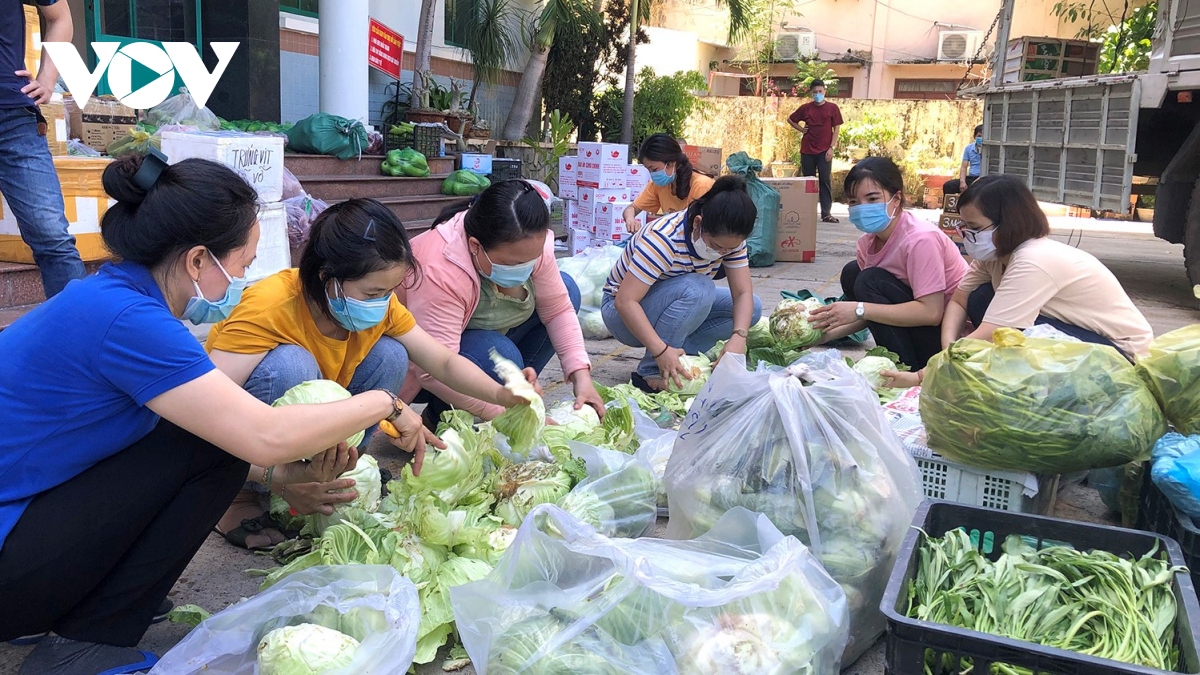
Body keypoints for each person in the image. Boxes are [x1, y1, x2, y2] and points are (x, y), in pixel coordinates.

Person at [0, 154, 532, 674]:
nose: (248, 272)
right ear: (198, 260)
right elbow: (261, 437)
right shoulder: (130, 321)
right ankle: (85, 641)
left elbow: (434, 357)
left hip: (29, 526)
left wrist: (501, 395)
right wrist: (384, 404)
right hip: (11, 560)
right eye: (243, 260)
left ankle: (88, 600)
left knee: (204, 437)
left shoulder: (115, 300)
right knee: (212, 441)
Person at [206, 198, 525, 550]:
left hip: (315, 425)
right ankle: (239, 496)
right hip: (254, 438)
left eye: (390, 291)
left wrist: (501, 395)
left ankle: (337, 469)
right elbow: (207, 415)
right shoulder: (270, 305)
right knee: (292, 365)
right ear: (328, 278)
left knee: (391, 354)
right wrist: (276, 478)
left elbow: (444, 362)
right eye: (373, 292)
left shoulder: (379, 306)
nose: (384, 301)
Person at [883, 175, 1154, 388]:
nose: (967, 235)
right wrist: (950, 348)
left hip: (1118, 356)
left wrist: (923, 376)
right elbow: (959, 299)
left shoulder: (1034, 260)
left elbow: (990, 332)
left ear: (1009, 223)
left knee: (1002, 327)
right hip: (1077, 336)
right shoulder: (995, 255)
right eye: (965, 227)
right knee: (981, 297)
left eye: (975, 228)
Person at [401, 180, 603, 425]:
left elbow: (557, 309)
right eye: (513, 264)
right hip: (426, 366)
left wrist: (582, 377)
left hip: (472, 344)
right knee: (499, 354)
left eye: (531, 261)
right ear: (475, 246)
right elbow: (433, 370)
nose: (525, 269)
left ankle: (518, 397)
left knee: (567, 289)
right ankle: (443, 414)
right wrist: (507, 414)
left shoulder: (530, 242)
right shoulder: (438, 268)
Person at [603, 175, 763, 392]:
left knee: (752, 309)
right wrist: (659, 351)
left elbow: (742, 293)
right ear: (698, 223)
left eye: (728, 249)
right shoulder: (663, 239)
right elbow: (625, 301)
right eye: (716, 246)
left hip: (671, 303)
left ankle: (677, 356)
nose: (722, 253)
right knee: (699, 289)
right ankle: (652, 368)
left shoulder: (731, 242)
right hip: (621, 314)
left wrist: (738, 338)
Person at [809, 157, 969, 370]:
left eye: (872, 198)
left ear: (896, 199)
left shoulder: (920, 240)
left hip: (948, 339)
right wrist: (822, 337)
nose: (861, 208)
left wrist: (859, 308)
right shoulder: (867, 244)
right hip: (918, 324)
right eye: (854, 202)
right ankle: (897, 362)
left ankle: (908, 366)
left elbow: (931, 313)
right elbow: (875, 310)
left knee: (868, 280)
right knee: (854, 273)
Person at [1, 0, 86, 297]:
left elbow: (61, 17)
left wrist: (47, 80)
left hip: (12, 120)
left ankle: (79, 338)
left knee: (52, 239)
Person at [622, 133, 715, 232]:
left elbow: (700, 231)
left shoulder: (701, 185)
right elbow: (631, 208)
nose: (652, 175)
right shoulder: (658, 185)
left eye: (654, 169)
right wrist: (630, 220)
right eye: (648, 170)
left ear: (671, 163)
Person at [788, 78, 843, 223]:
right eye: (815, 92)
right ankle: (808, 212)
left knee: (824, 180)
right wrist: (802, 129)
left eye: (820, 91)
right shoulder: (806, 108)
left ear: (825, 91)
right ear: (811, 93)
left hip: (825, 151)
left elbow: (836, 128)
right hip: (807, 150)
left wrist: (832, 147)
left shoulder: (833, 108)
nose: (818, 94)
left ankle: (826, 213)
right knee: (808, 182)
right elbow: (791, 119)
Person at [943, 124, 984, 195]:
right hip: (971, 178)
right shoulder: (968, 148)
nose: (981, 138)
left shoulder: (990, 150)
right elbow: (964, 167)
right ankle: (948, 206)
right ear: (974, 137)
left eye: (983, 136)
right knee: (948, 186)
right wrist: (962, 182)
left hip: (983, 179)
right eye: (979, 136)